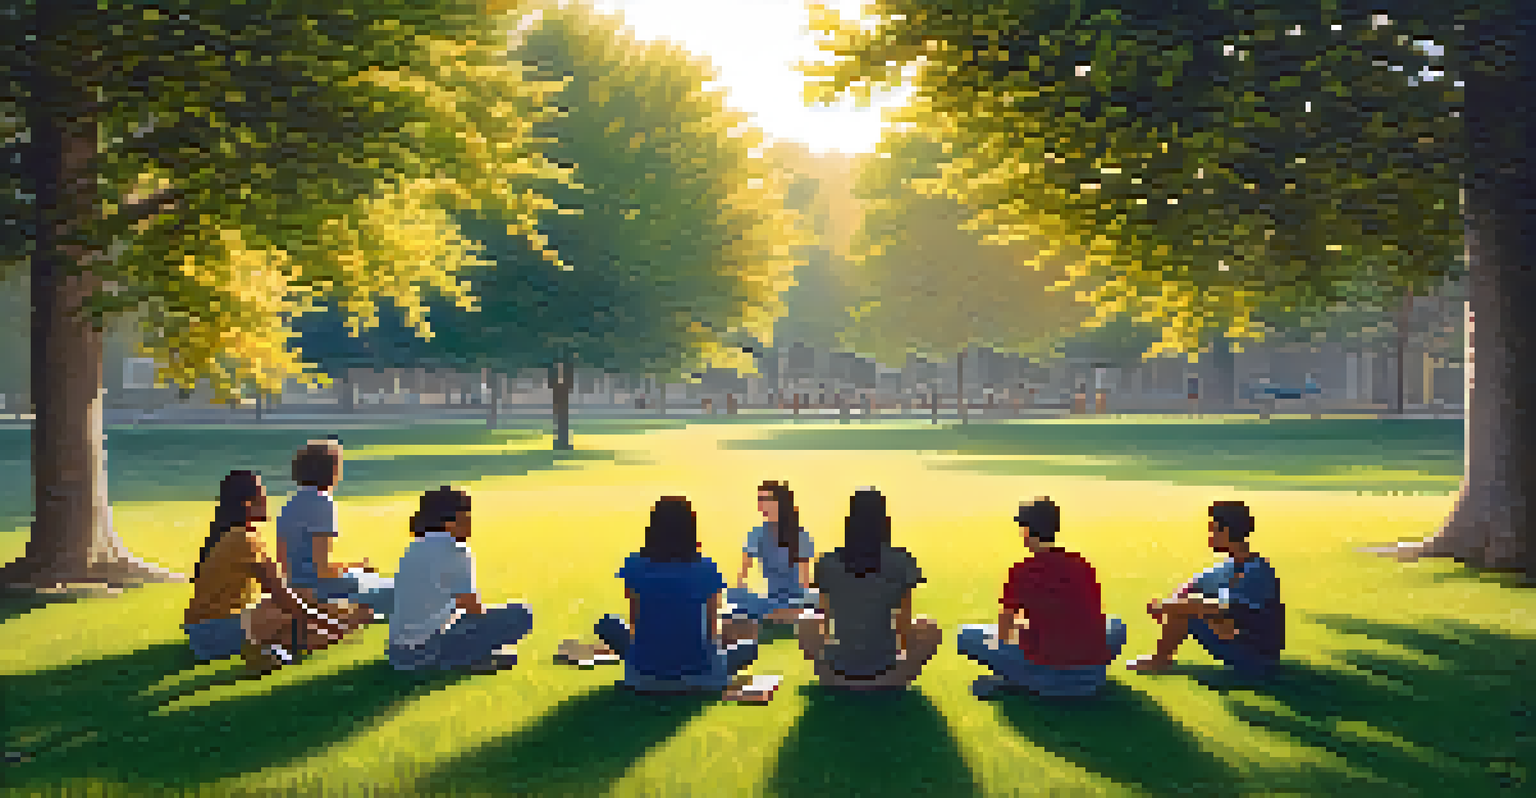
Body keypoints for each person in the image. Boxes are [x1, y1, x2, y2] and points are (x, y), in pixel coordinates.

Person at [183, 470, 359, 672]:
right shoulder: (244, 539)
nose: (267, 498)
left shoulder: (238, 534)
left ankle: (275, 647)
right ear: (248, 504)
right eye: (262, 494)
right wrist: (329, 623)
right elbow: (283, 598)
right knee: (300, 619)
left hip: (210, 631)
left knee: (304, 603)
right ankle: (271, 650)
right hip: (215, 634)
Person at [955, 498, 1126, 699]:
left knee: (966, 635)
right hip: (1093, 678)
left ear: (1026, 531)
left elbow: (1003, 634)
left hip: (1048, 678)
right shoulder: (1082, 565)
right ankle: (1022, 678)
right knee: (1115, 624)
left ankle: (1016, 680)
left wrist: (1021, 628)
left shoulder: (1021, 571)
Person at [594, 496, 760, 694]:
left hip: (643, 677)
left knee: (606, 623)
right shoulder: (706, 569)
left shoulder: (634, 566)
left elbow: (636, 624)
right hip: (702, 676)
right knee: (749, 647)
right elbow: (711, 630)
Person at [795, 487, 942, 689]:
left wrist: (831, 654)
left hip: (840, 664)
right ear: (884, 522)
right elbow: (903, 622)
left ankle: (834, 678)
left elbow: (826, 618)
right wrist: (904, 660)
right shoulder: (901, 561)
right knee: (929, 627)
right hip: (885, 664)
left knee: (806, 620)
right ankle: (893, 679)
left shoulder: (827, 562)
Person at [1126, 501, 1284, 679]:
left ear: (1226, 532)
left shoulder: (1257, 572)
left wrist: (1165, 607)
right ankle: (1161, 658)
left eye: (1213, 530)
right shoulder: (1231, 566)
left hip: (1258, 658)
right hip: (1238, 642)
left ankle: (1159, 660)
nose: (1209, 536)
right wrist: (1180, 603)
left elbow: (1210, 607)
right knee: (1191, 603)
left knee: (1188, 609)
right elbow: (1192, 586)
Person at [387, 486, 534, 672]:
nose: (471, 523)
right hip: (427, 652)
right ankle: (470, 658)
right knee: (521, 614)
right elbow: (472, 608)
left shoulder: (415, 546)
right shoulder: (456, 550)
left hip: (398, 654)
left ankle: (475, 656)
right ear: (450, 522)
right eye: (467, 517)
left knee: (464, 622)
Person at [275, 438, 394, 617]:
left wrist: (352, 568)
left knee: (365, 576)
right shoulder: (322, 502)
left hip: (297, 588)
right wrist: (352, 570)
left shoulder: (289, 503)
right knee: (398, 590)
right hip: (320, 592)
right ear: (330, 470)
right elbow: (323, 570)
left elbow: (285, 566)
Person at [726, 480, 815, 625]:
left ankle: (777, 615)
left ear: (779, 503)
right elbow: (742, 576)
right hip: (769, 600)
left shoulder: (800, 535)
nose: (761, 505)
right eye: (759, 500)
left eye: (766, 499)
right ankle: (776, 615)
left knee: (811, 600)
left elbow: (805, 582)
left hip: (794, 601)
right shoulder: (756, 534)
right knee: (733, 595)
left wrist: (801, 606)